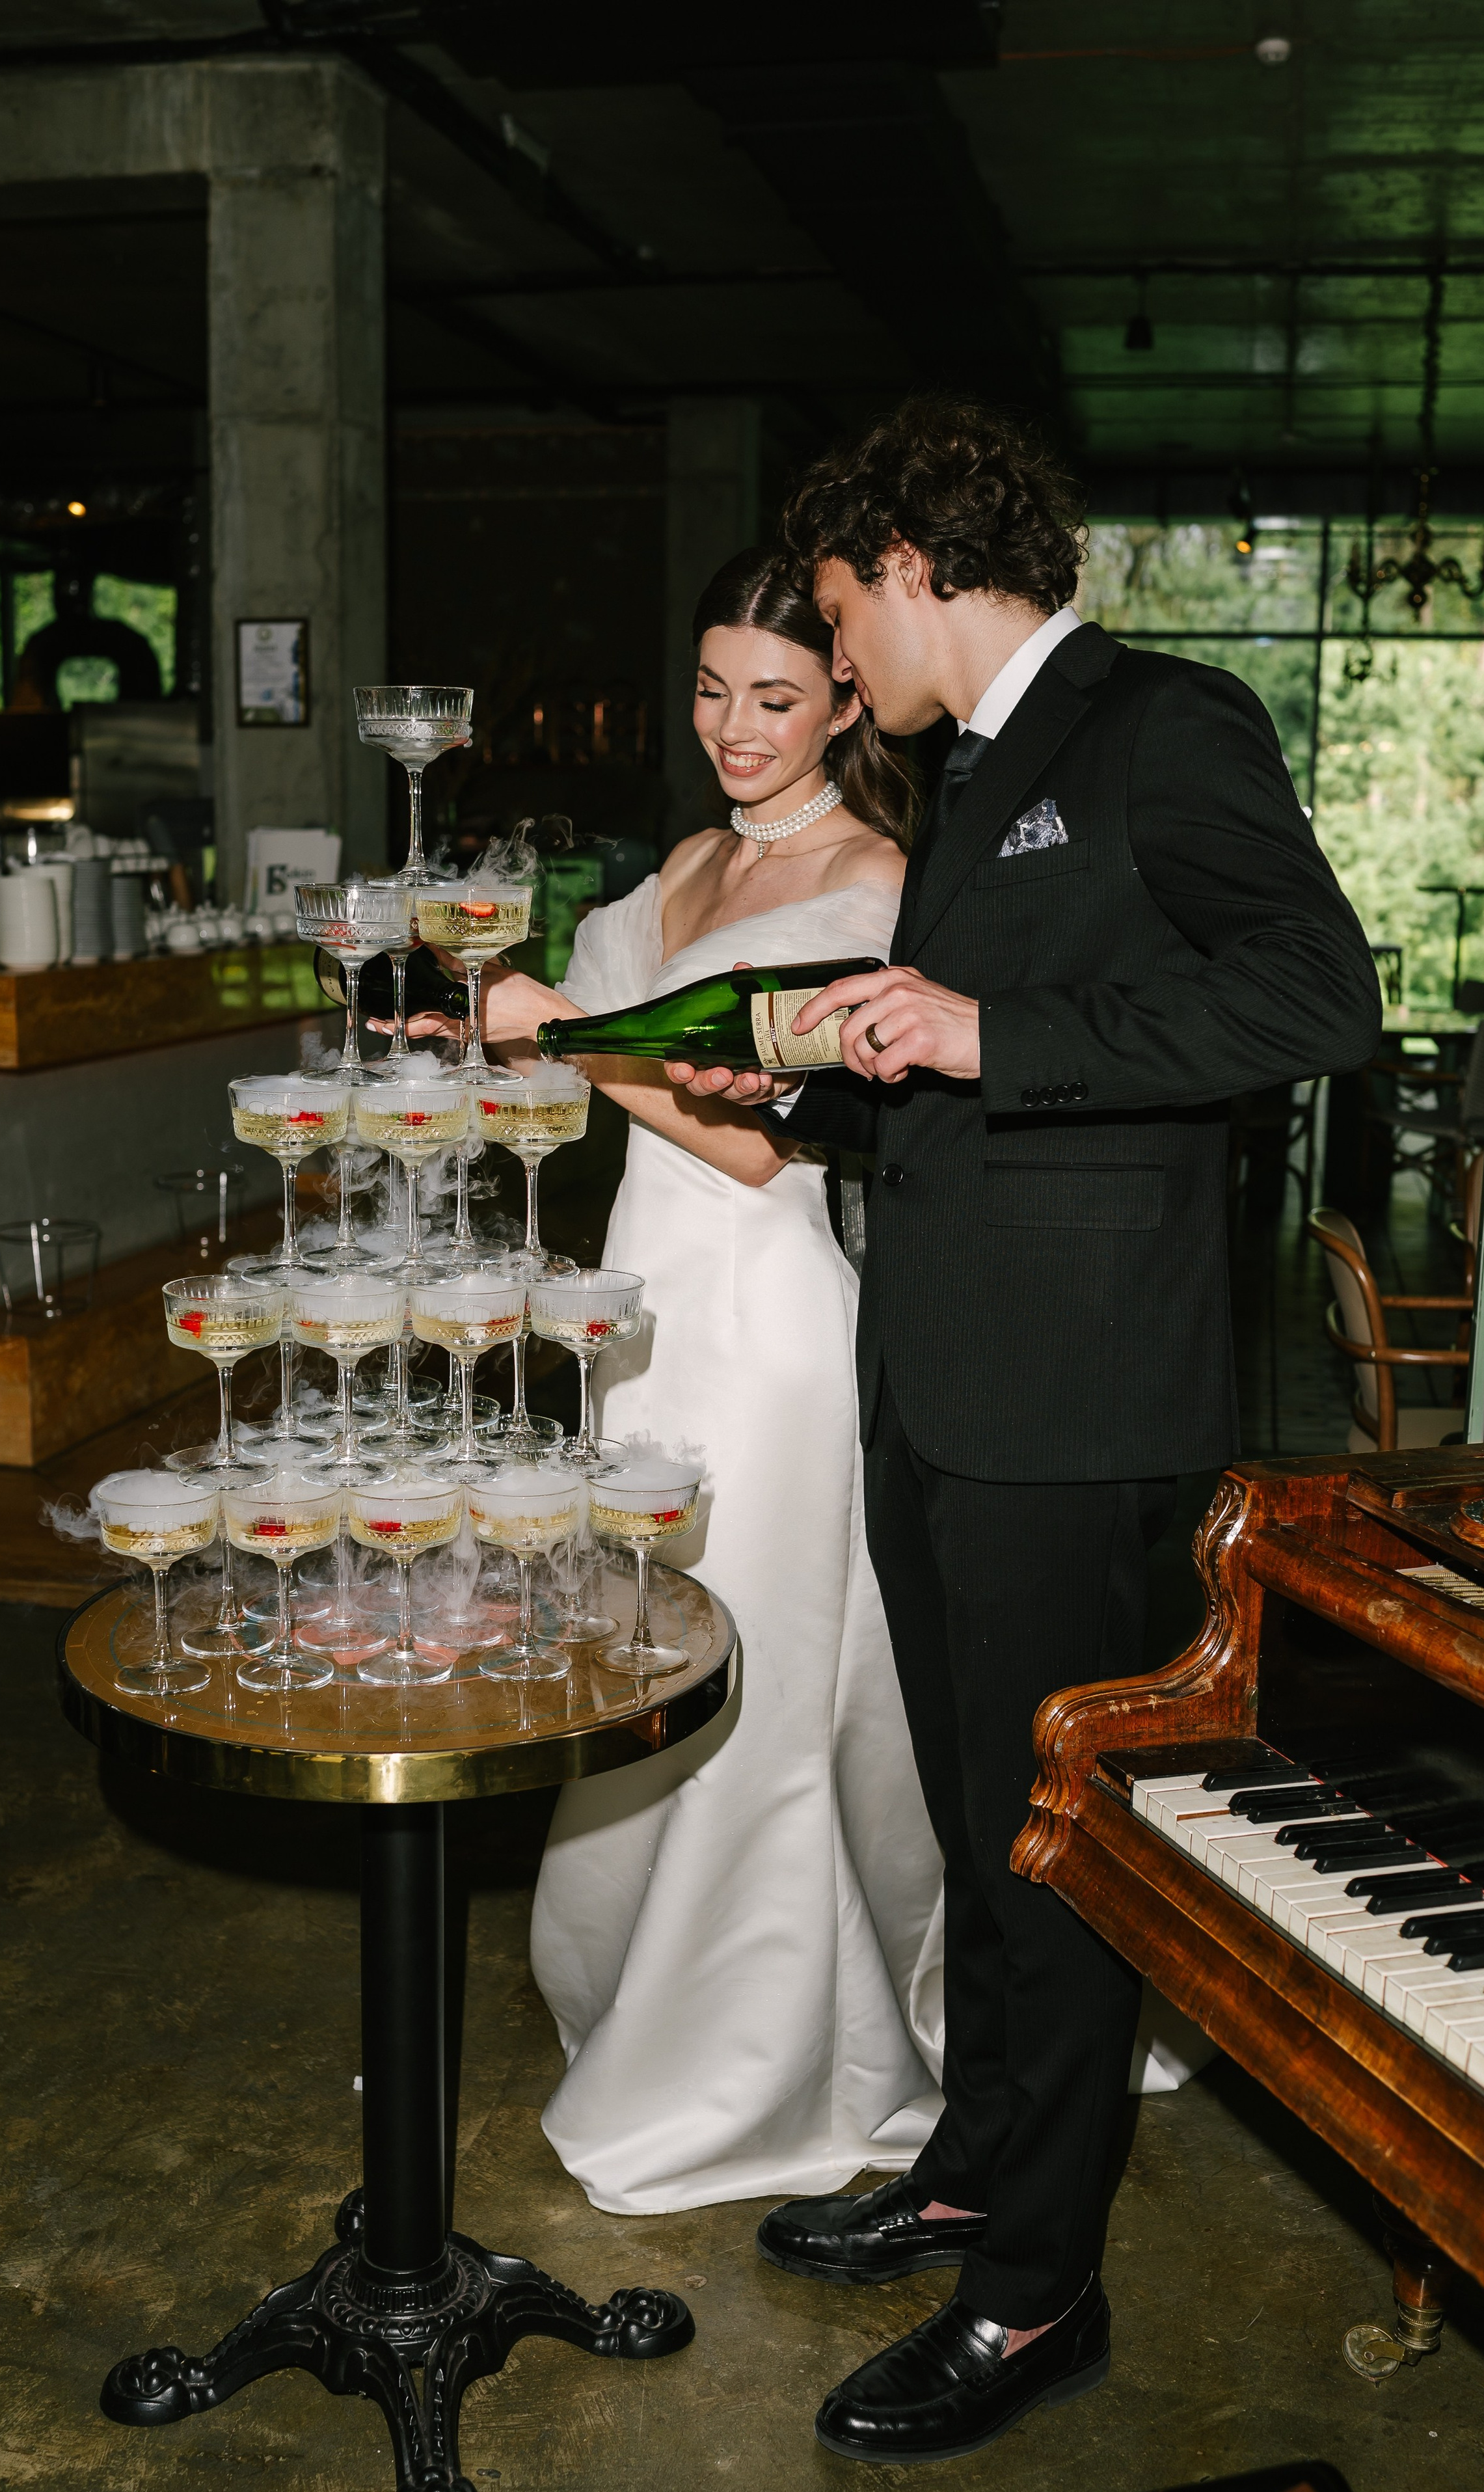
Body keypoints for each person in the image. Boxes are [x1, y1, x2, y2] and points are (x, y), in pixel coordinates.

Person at [672, 397, 1383, 2464]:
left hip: (1085, 1407)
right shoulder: (976, 778)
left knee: (1068, 1851)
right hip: (947, 1386)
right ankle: (981, 2167)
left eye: (834, 613)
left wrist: (1005, 1031)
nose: (838, 662)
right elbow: (962, 1072)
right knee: (995, 1819)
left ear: (908, 561)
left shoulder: (1165, 725)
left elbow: (1319, 998)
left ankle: (1034, 2297)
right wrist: (810, 1095)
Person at [407, 545, 951, 2210]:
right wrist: (483, 1064)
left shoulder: (873, 884)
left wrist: (557, 1027)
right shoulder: (686, 860)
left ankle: (766, 2060)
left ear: (847, 691)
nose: (733, 725)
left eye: (774, 696)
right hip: (636, 1329)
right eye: (710, 689)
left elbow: (746, 1151)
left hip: (771, 1326)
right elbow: (601, 1101)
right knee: (632, 1659)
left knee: (757, 1688)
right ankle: (640, 1994)